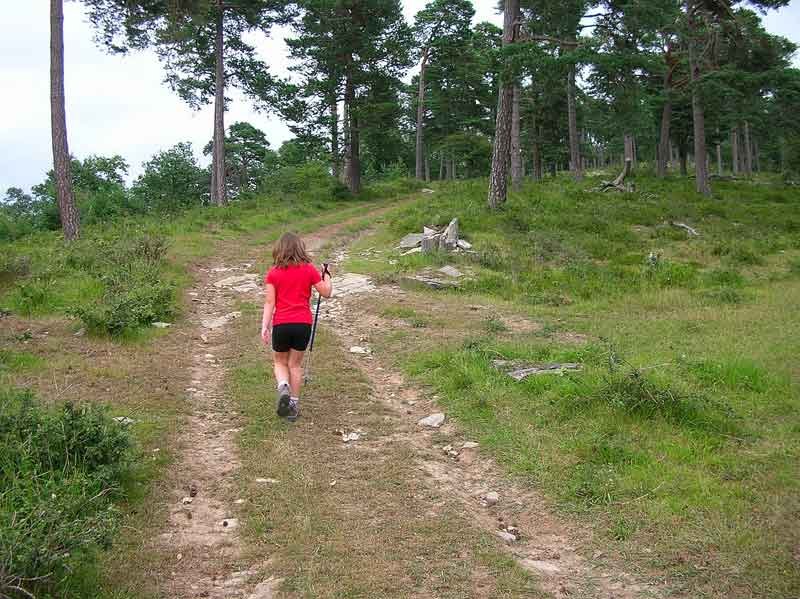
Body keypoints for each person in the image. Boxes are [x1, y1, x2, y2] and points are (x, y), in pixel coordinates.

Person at [261, 233, 332, 421]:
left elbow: (269, 303)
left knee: (279, 362)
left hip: (282, 323)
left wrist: (264, 326)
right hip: (302, 323)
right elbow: (326, 292)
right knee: (295, 364)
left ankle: (283, 386)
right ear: (300, 248)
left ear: (279, 250)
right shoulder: (308, 269)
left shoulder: (273, 273)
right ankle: (292, 405)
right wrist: (327, 276)